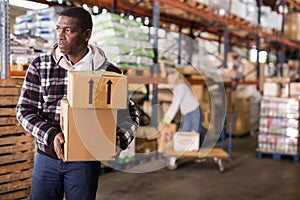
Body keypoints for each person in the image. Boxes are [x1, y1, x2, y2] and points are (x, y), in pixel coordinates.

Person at [16, 7, 139, 200]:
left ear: (86, 35)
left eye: (69, 31)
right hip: (46, 157)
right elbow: (24, 110)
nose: (60, 36)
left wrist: (119, 139)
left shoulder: (108, 72)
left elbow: (130, 113)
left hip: (85, 161)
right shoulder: (40, 65)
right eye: (58, 29)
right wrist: (51, 135)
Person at [162, 71, 203, 146]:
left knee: (197, 129)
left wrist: (167, 119)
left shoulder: (181, 87)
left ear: (174, 79)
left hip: (194, 110)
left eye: (169, 78)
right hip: (187, 112)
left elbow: (175, 105)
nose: (167, 80)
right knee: (185, 130)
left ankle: (201, 148)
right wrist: (166, 119)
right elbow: (174, 104)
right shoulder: (176, 87)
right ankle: (184, 148)